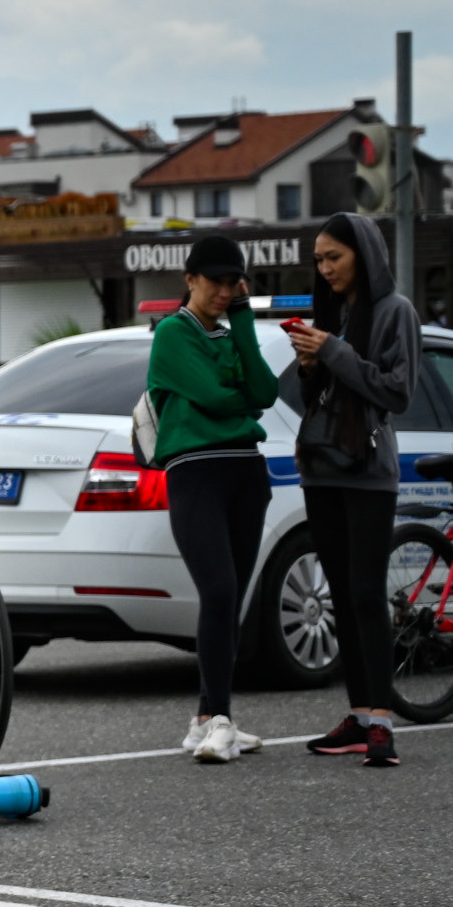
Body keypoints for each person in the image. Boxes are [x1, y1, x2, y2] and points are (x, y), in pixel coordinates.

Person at [290, 212, 420, 769]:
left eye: (333, 257)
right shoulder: (333, 312)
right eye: (318, 260)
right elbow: (318, 395)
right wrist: (307, 364)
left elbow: (397, 392)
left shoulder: (396, 311)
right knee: (339, 591)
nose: (325, 268)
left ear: (363, 254)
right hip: (321, 466)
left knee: (367, 593)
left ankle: (384, 723)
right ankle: (359, 714)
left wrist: (334, 354)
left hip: (368, 469)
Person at [144, 235, 281, 764]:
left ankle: (208, 718)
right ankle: (219, 718)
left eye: (233, 282)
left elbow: (265, 393)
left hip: (247, 471)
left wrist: (244, 319)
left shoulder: (230, 331)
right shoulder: (172, 334)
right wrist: (242, 398)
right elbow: (225, 397)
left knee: (233, 599)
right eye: (215, 281)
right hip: (195, 473)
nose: (224, 291)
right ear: (190, 279)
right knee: (219, 591)